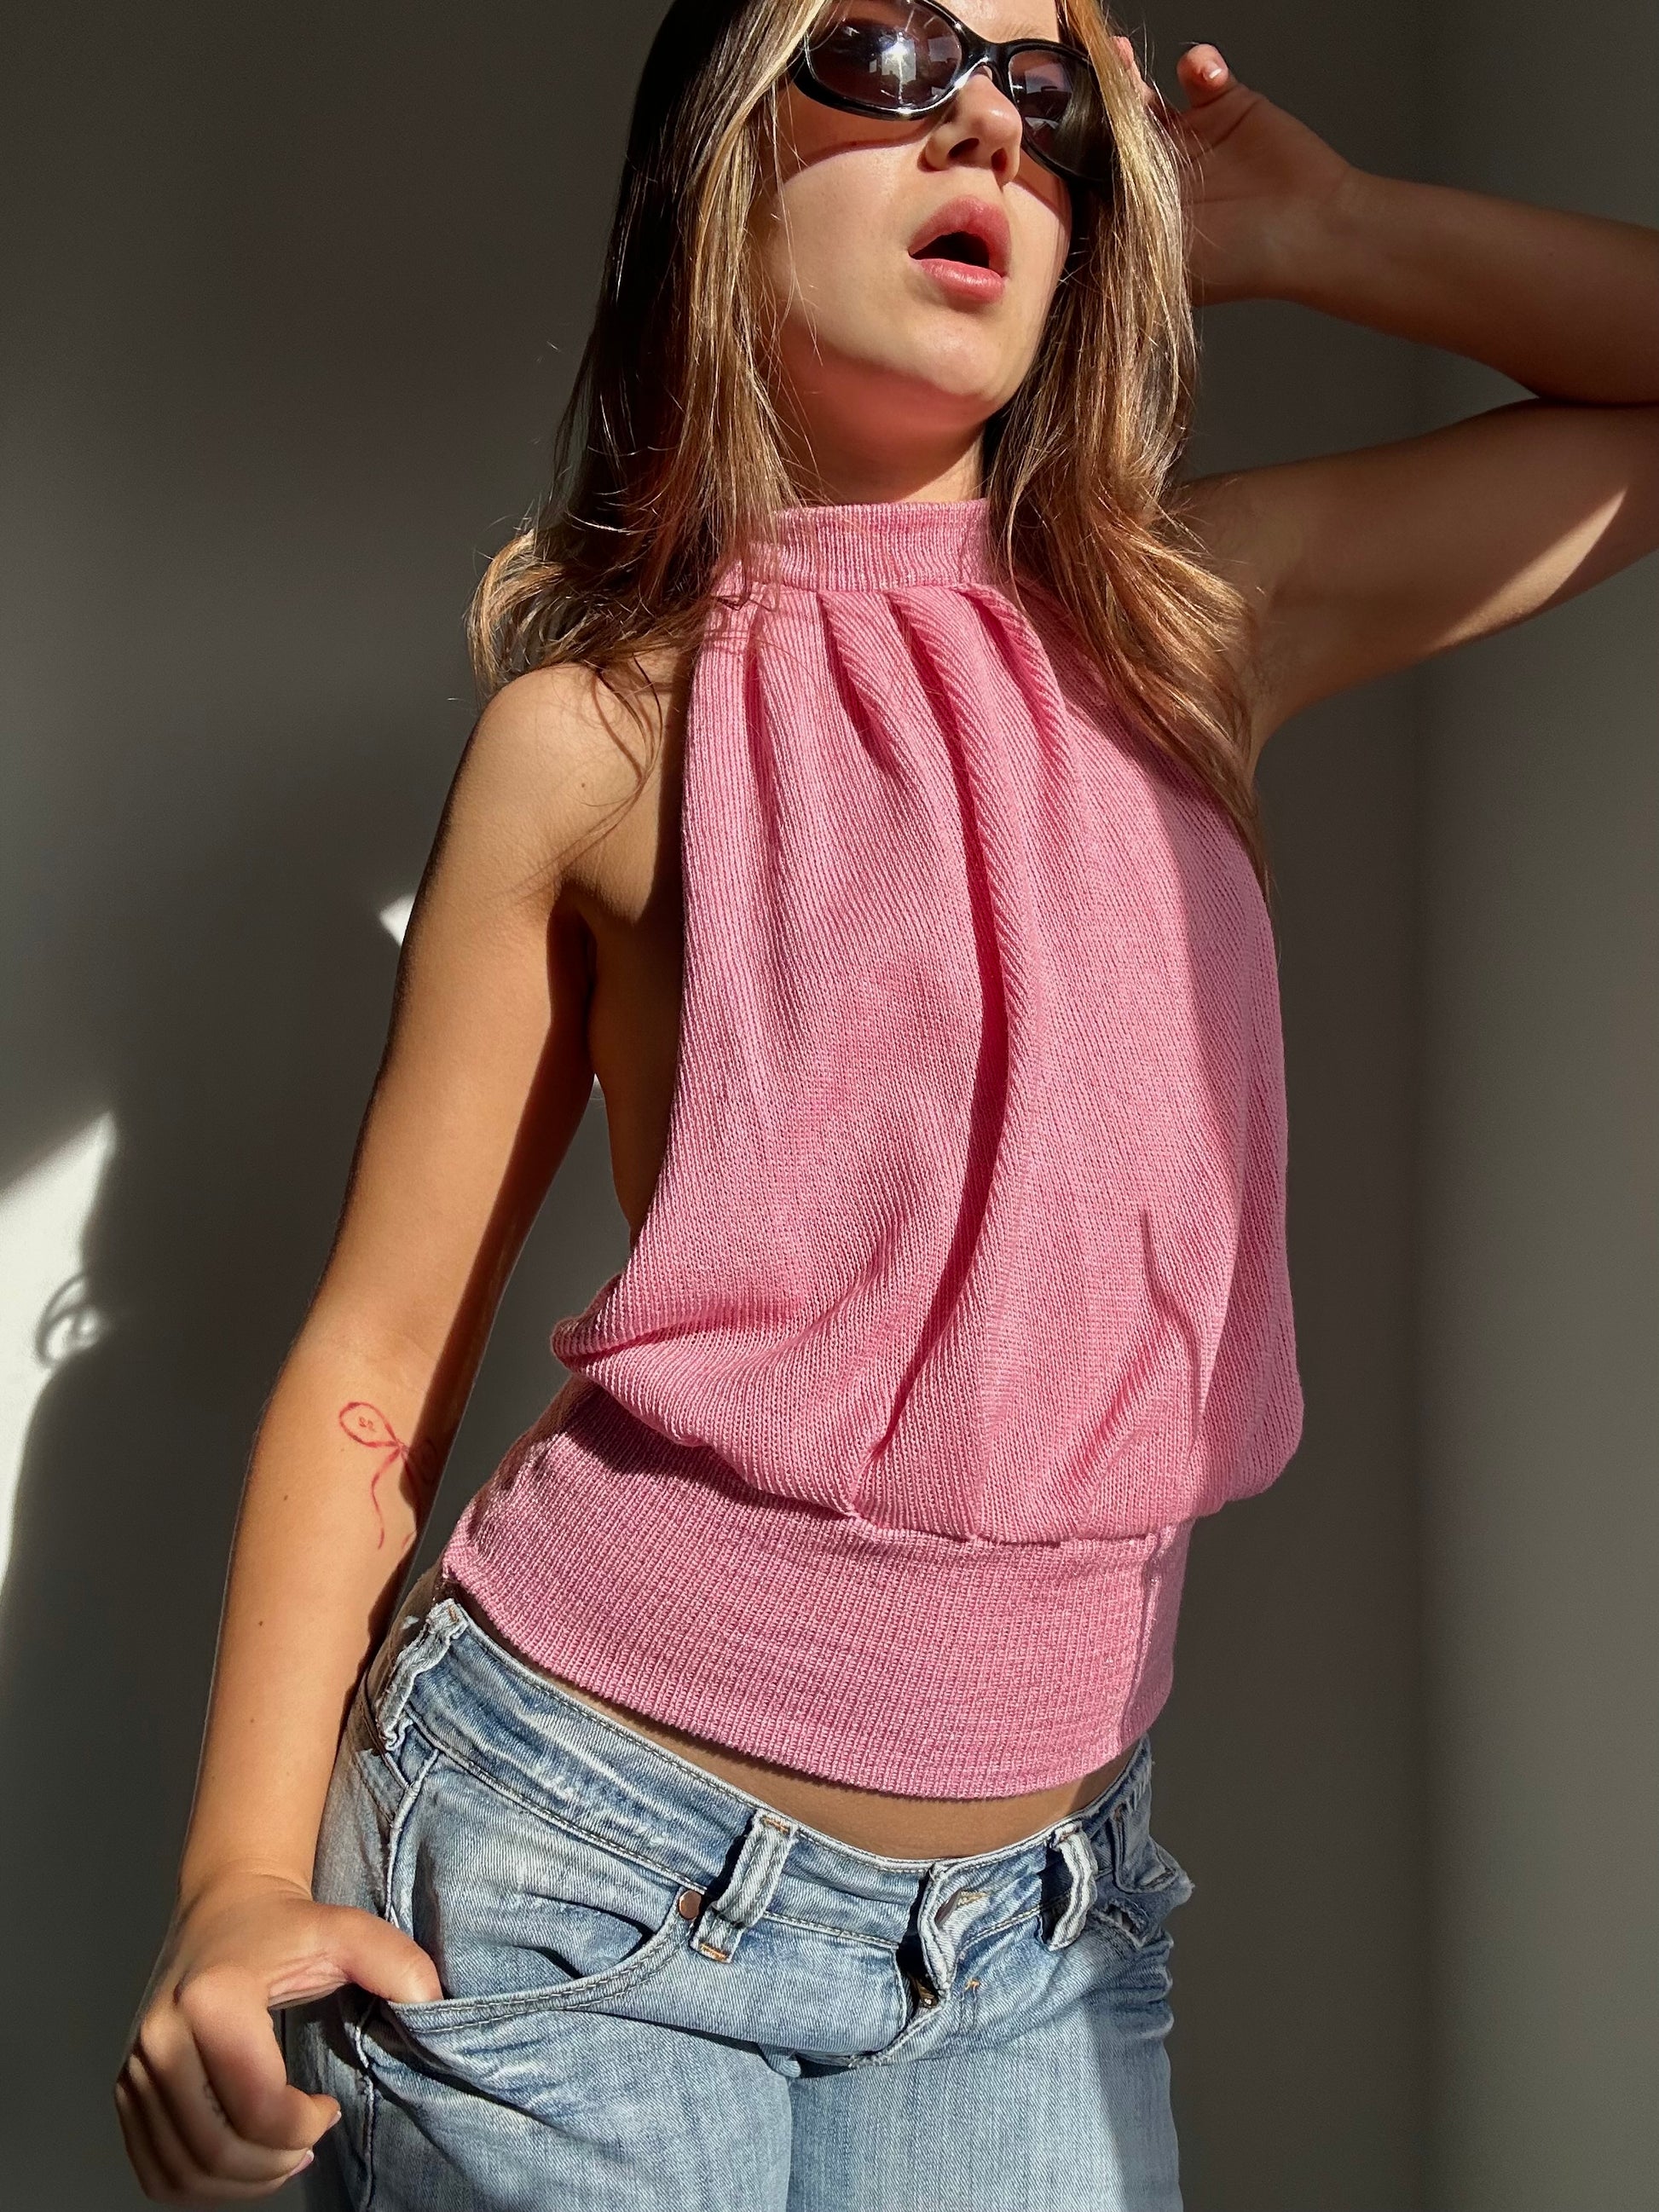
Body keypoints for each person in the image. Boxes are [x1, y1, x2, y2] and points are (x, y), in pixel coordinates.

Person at [114, 0, 1658, 2204]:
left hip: (1036, 1931)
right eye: (891, 53)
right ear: (718, 167)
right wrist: (233, 1879)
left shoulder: (1192, 629)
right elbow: (377, 1350)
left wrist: (1330, 231)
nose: (988, 136)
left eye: (1042, 95)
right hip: (577, 1877)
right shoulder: (592, 742)